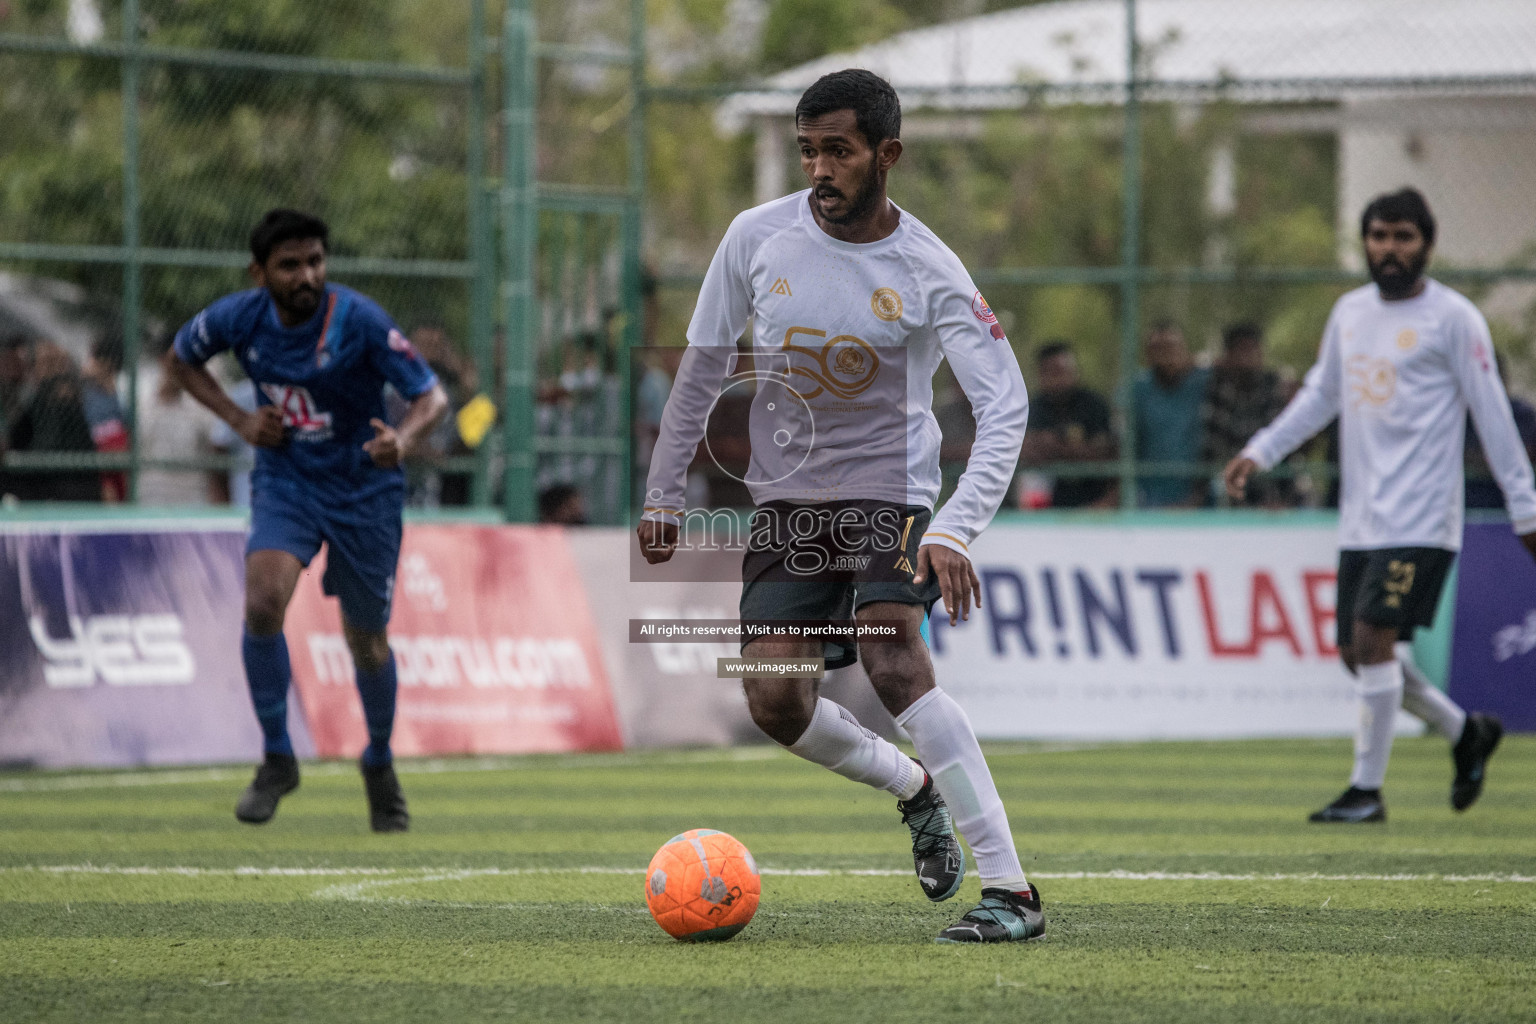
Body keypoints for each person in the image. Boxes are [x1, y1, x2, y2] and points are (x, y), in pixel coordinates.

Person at [637, 70, 1041, 943]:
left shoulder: (928, 268)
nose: (821, 169)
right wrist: (664, 488)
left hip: (890, 490)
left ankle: (1012, 892)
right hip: (788, 503)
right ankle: (913, 787)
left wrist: (955, 526)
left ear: (886, 156)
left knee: (893, 651)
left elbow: (1004, 403)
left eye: (840, 152)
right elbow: (705, 363)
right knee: (775, 702)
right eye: (809, 150)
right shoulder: (756, 238)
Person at [1224, 188, 1536, 823]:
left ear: (1427, 243)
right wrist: (1261, 451)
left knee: (1371, 640)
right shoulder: (1350, 313)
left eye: (1403, 237)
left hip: (1424, 518)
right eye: (1379, 236)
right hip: (1362, 518)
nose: (1390, 249)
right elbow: (1320, 397)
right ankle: (1465, 731)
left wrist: (1525, 507)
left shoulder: (1455, 319)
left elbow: (1492, 414)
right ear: (1365, 242)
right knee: (1356, 651)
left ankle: (1366, 791)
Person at [170, 209, 448, 832]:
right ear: (259, 272)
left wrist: (401, 440)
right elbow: (180, 360)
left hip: (364, 490)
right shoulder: (238, 317)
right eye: (290, 265)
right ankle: (276, 757)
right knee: (264, 600)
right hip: (287, 479)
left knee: (366, 639)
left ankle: (377, 759)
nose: (307, 275)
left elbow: (432, 397)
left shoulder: (361, 320)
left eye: (316, 261)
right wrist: (240, 422)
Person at [1204, 322, 1293, 508]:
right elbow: (1214, 446)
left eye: (1251, 350)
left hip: (1271, 493)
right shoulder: (1216, 388)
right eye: (1240, 350)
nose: (1246, 357)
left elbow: (1284, 443)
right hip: (1227, 491)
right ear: (1228, 354)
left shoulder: (1274, 387)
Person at [1019, 341, 1116, 508]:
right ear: (1041, 374)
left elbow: (1105, 453)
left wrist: (1056, 447)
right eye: (1052, 372)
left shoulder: (1094, 405)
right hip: (1047, 507)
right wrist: (1073, 449)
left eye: (1063, 371)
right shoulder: (1032, 408)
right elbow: (1028, 452)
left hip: (1094, 504)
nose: (1059, 379)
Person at [1132, 321, 1209, 507]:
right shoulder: (1138, 389)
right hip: (1150, 494)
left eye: (1172, 347)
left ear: (1185, 349)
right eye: (1159, 348)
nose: (1166, 354)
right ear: (1148, 353)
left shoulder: (1205, 382)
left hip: (1199, 493)